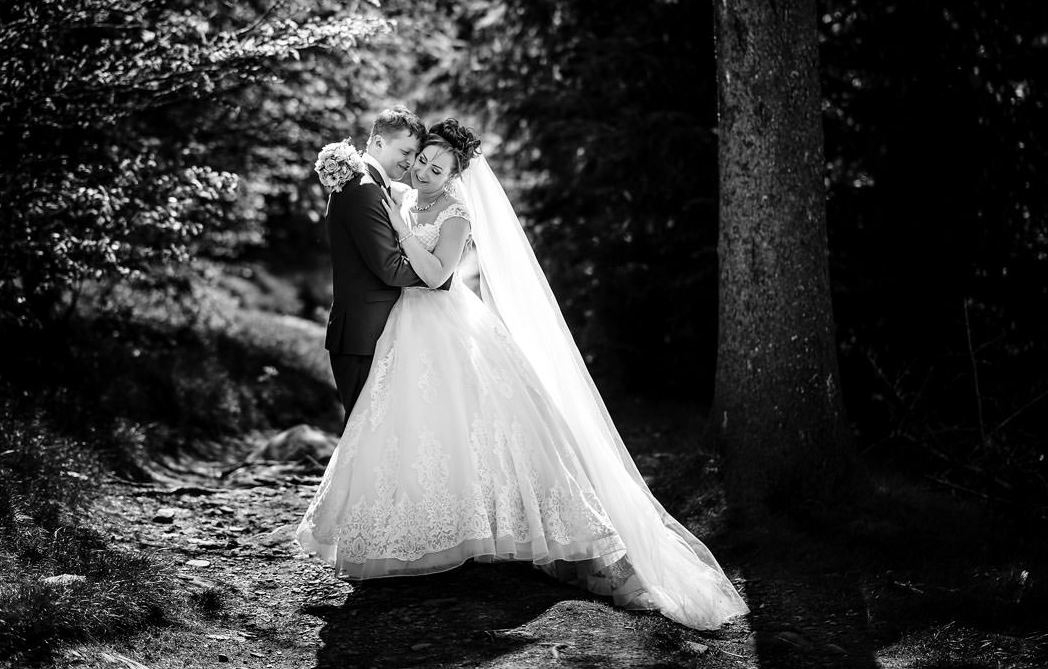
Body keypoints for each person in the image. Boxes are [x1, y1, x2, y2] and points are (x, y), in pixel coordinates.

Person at [295, 119, 749, 629]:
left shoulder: (455, 213)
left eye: (435, 165)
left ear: (456, 175)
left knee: (489, 426)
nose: (421, 168)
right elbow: (376, 196)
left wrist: (401, 230)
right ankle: (415, 535)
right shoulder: (397, 193)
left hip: (443, 320)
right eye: (419, 158)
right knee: (416, 431)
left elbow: (436, 275)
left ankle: (576, 543)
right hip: (404, 327)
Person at [322, 106, 448, 425]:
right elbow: (390, 267)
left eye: (414, 154)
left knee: (375, 436)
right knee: (363, 433)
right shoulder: (365, 190)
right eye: (404, 151)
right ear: (378, 142)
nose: (409, 162)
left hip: (372, 330)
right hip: (363, 334)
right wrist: (440, 276)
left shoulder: (372, 185)